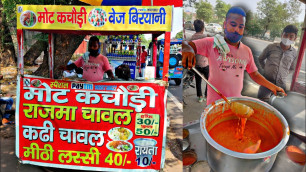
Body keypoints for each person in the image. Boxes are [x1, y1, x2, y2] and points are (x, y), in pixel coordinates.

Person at [182, 7, 286, 105]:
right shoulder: (212, 43)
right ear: (224, 24)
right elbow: (186, 44)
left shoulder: (247, 51)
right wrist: (188, 49)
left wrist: (272, 87)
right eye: (233, 24)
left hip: (236, 101)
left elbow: (254, 74)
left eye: (241, 27)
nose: (236, 29)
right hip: (215, 103)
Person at [257, 25, 298, 101]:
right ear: (282, 35)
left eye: (291, 36)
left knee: (276, 104)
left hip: (281, 85)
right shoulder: (271, 47)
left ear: (295, 38)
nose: (287, 38)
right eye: (286, 35)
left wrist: (283, 74)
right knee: (261, 102)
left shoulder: (294, 53)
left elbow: (292, 68)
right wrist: (266, 69)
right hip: (266, 82)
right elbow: (261, 59)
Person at [190, 19, 210, 103]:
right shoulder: (207, 37)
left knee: (198, 81)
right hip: (205, 64)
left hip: (196, 65)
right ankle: (206, 95)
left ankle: (200, 97)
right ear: (203, 28)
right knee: (209, 81)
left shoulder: (191, 38)